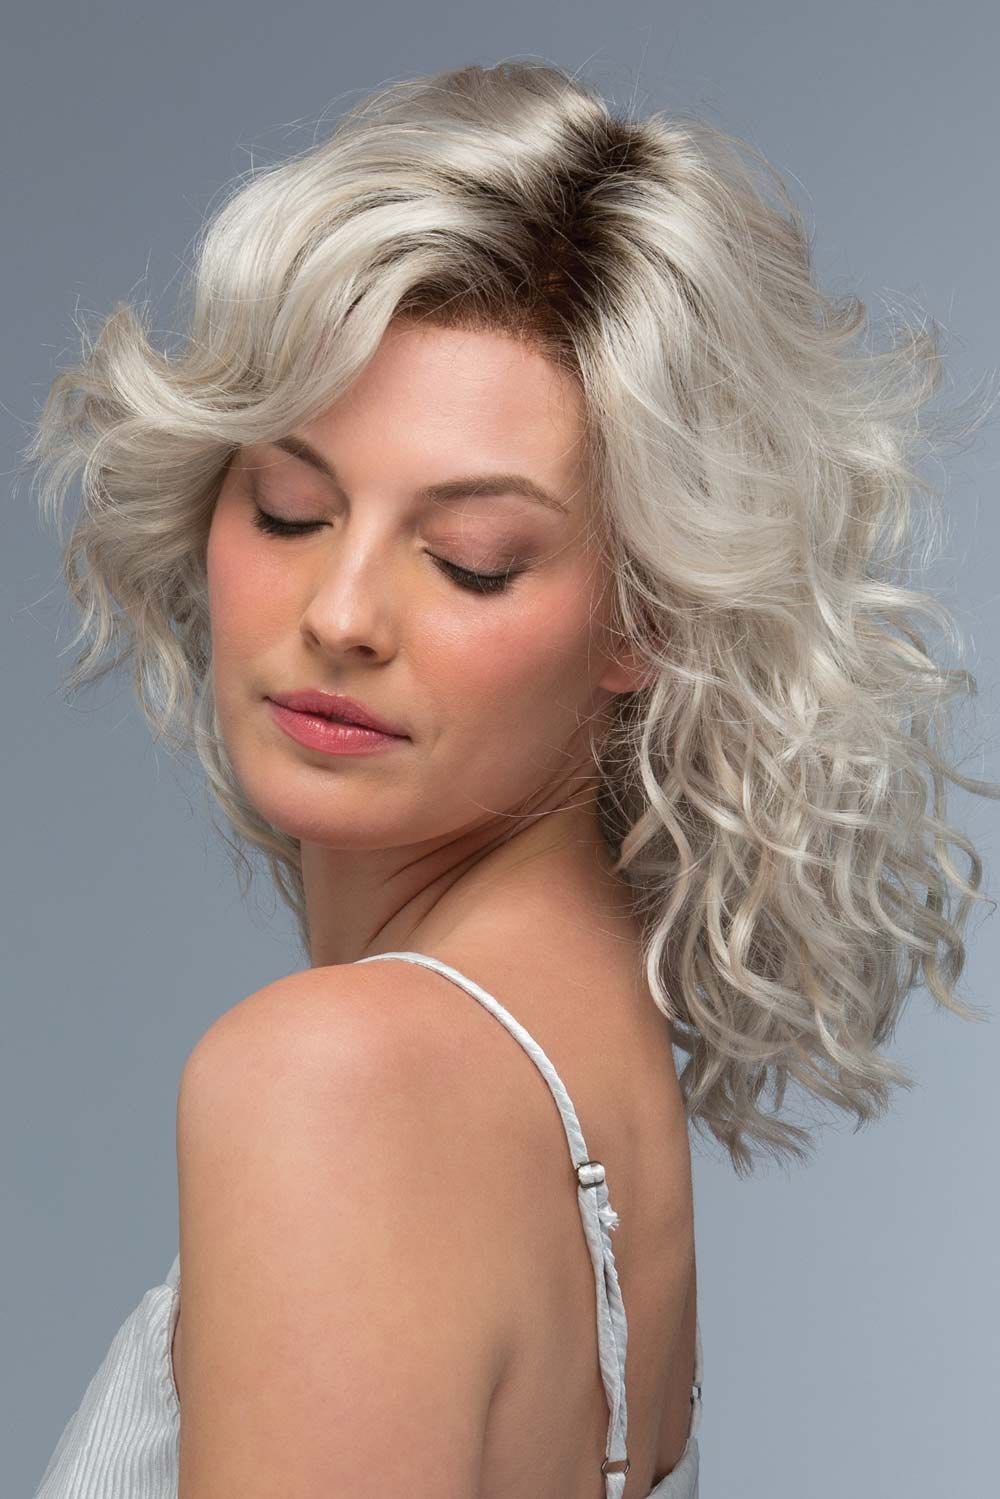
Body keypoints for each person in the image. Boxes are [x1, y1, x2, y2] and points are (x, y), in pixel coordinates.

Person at [24, 57, 997, 1499]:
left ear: (644, 616)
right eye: (289, 508)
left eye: (472, 559)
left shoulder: (341, 1082)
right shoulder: (586, 1059)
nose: (342, 613)